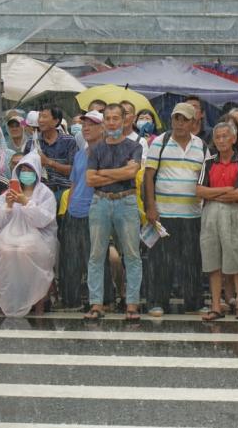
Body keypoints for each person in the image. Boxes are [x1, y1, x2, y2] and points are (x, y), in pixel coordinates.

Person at [143, 102, 207, 317]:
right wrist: (150, 208)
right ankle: (156, 302)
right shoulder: (159, 143)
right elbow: (148, 177)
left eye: (184, 119)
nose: (179, 123)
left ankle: (194, 303)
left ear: (193, 123)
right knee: (161, 261)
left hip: (192, 214)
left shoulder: (202, 146)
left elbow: (204, 179)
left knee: (191, 260)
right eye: (176, 118)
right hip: (164, 214)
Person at [84, 103, 144, 321]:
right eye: (107, 118)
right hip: (100, 202)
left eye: (115, 118)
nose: (111, 122)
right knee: (96, 255)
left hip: (126, 200)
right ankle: (96, 303)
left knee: (132, 255)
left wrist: (104, 172)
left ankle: (132, 303)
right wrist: (119, 173)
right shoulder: (96, 148)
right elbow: (90, 179)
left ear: (124, 120)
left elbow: (132, 171)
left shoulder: (134, 146)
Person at [196, 121, 238, 323]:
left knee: (237, 260)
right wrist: (225, 191)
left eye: (224, 136)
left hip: (233, 213)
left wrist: (215, 195)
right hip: (210, 214)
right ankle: (215, 306)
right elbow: (199, 191)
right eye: (217, 137)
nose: (220, 140)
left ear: (233, 138)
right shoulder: (209, 162)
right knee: (213, 261)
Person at [0, 150, 58, 317]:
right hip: (11, 235)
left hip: (39, 238)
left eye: (30, 170)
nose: (26, 174)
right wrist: (8, 206)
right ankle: (10, 299)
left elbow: (44, 220)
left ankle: (34, 300)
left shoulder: (45, 194)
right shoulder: (8, 193)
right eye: (24, 170)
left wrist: (26, 203)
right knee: (5, 251)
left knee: (25, 251)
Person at [59, 110, 108, 310]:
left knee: (96, 258)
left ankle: (103, 300)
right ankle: (70, 299)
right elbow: (74, 183)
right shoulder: (80, 153)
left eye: (92, 124)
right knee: (71, 257)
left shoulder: (107, 153)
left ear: (102, 128)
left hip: (95, 211)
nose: (86, 128)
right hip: (74, 211)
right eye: (84, 124)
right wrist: (69, 207)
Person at [24, 105, 77, 200]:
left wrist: (49, 162)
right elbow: (25, 170)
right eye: (39, 116)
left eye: (44, 117)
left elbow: (74, 171)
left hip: (64, 192)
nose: (40, 120)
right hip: (39, 193)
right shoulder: (32, 142)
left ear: (56, 121)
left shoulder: (69, 141)